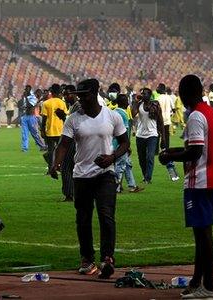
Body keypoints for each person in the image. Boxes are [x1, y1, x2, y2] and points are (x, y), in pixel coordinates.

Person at [50, 79, 129, 279]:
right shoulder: (73, 119)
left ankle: (108, 258)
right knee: (83, 219)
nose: (81, 99)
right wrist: (55, 163)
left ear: (94, 93)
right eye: (79, 96)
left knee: (106, 215)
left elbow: (125, 143)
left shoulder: (111, 116)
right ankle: (87, 259)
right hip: (81, 175)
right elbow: (64, 144)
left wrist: (112, 157)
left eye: (84, 95)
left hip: (105, 174)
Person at [159, 75, 213, 300]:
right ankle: (197, 283)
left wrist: (170, 157)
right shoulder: (211, 112)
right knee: (202, 233)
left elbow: (195, 152)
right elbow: (198, 147)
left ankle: (210, 286)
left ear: (186, 93)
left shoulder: (196, 116)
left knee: (203, 235)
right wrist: (172, 152)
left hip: (200, 180)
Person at [131, 88, 165, 184]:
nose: (142, 95)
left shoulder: (155, 105)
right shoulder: (139, 104)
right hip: (140, 135)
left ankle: (148, 178)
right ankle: (145, 175)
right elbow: (133, 115)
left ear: (150, 95)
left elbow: (161, 121)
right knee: (141, 158)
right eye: (141, 93)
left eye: (145, 94)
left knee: (150, 157)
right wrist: (136, 102)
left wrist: (163, 138)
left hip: (152, 134)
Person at [113, 94, 143, 193]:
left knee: (127, 164)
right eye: (126, 101)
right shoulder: (123, 114)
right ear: (123, 102)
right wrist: (126, 145)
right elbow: (124, 132)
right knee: (120, 165)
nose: (128, 103)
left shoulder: (114, 112)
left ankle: (132, 185)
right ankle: (115, 188)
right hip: (121, 144)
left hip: (114, 143)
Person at [156, 83, 180, 182]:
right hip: (167, 120)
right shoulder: (169, 97)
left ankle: (157, 151)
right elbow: (173, 109)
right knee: (166, 136)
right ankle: (166, 150)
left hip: (160, 120)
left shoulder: (158, 99)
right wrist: (170, 113)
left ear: (160, 89)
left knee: (158, 135)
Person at [41, 84, 68, 168]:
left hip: (50, 130)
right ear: (60, 92)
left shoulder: (46, 103)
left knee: (51, 150)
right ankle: (61, 167)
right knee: (61, 150)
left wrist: (42, 130)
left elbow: (44, 119)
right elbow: (65, 117)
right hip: (60, 130)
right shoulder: (62, 103)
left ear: (51, 92)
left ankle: (50, 168)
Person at [20, 85, 46, 152]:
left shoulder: (33, 97)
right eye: (25, 89)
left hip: (32, 117)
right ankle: (24, 148)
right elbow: (24, 106)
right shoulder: (25, 97)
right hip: (25, 116)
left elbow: (30, 105)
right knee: (24, 133)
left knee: (34, 133)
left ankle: (42, 146)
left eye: (26, 89)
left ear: (29, 89)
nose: (25, 91)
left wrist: (25, 97)